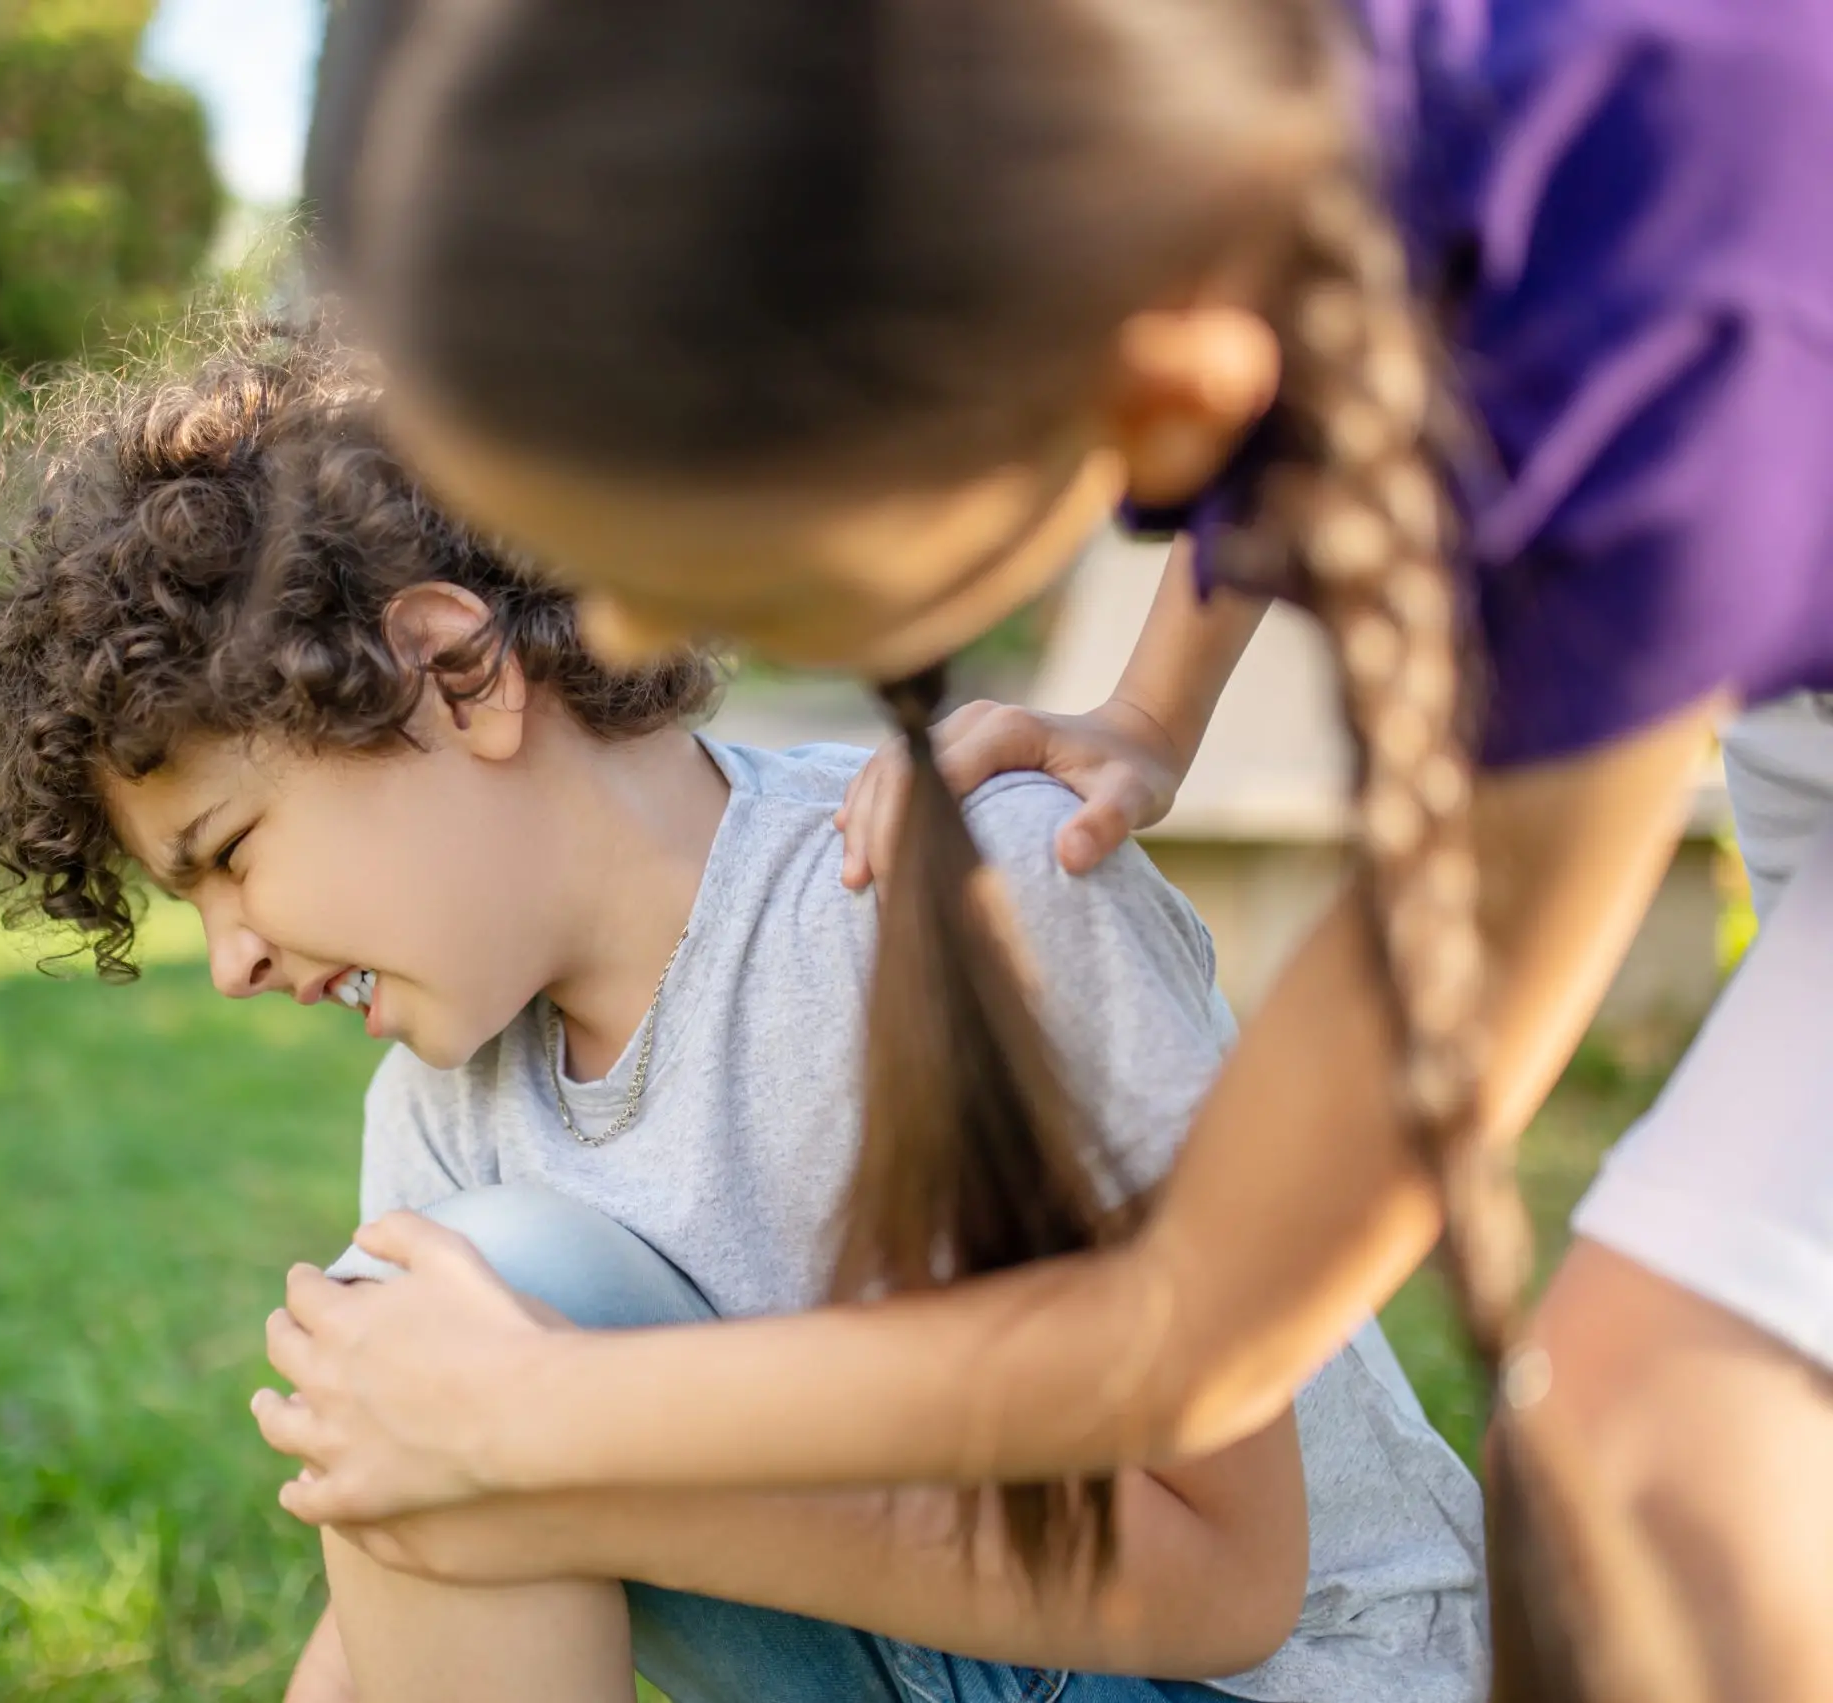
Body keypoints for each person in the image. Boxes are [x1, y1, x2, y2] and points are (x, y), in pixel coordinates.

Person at [258, 1, 1833, 1696]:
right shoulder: (1173, 130)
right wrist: (1154, 708)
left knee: (1664, 1438)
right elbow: (1307, 323)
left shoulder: (1661, 316)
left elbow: (1202, 1325)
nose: (630, 630)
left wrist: (537, 1414)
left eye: (729, 564)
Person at [0, 317, 1489, 1703]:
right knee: (422, 1347)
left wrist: (552, 1454)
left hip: (1273, 1674)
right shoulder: (446, 1113)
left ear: (453, 670)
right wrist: (472, 1454)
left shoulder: (957, 891)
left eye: (232, 854)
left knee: (474, 1360)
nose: (232, 958)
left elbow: (1227, 1580)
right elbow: (394, 1585)